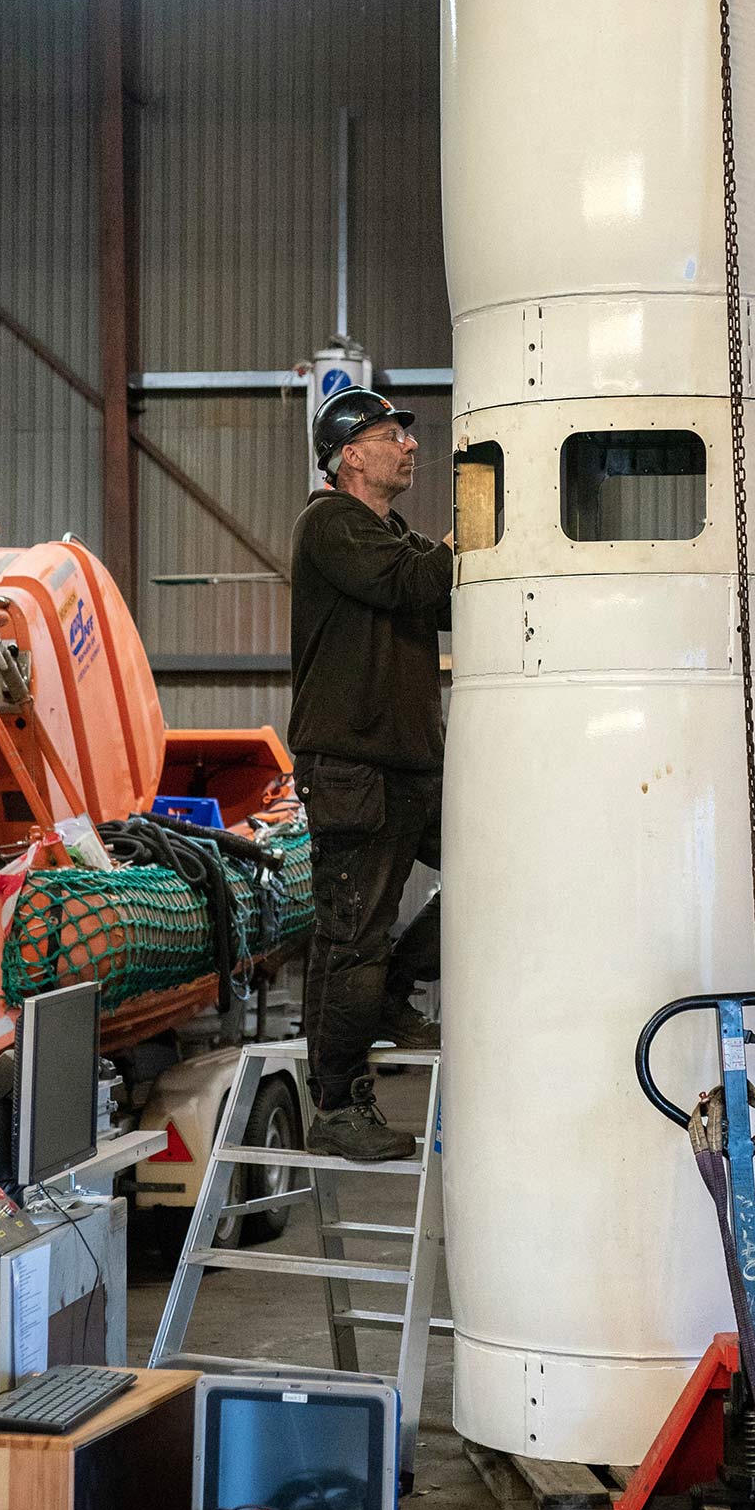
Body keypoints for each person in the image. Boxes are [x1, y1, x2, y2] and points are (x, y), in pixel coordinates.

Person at [289, 386, 454, 1160]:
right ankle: (339, 1104)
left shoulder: (391, 536)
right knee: (352, 934)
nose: (410, 446)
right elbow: (414, 582)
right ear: (351, 453)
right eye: (393, 435)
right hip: (354, 767)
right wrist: (469, 544)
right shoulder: (332, 524)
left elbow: (435, 588)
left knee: (495, 875)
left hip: (414, 762)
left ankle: (396, 985)